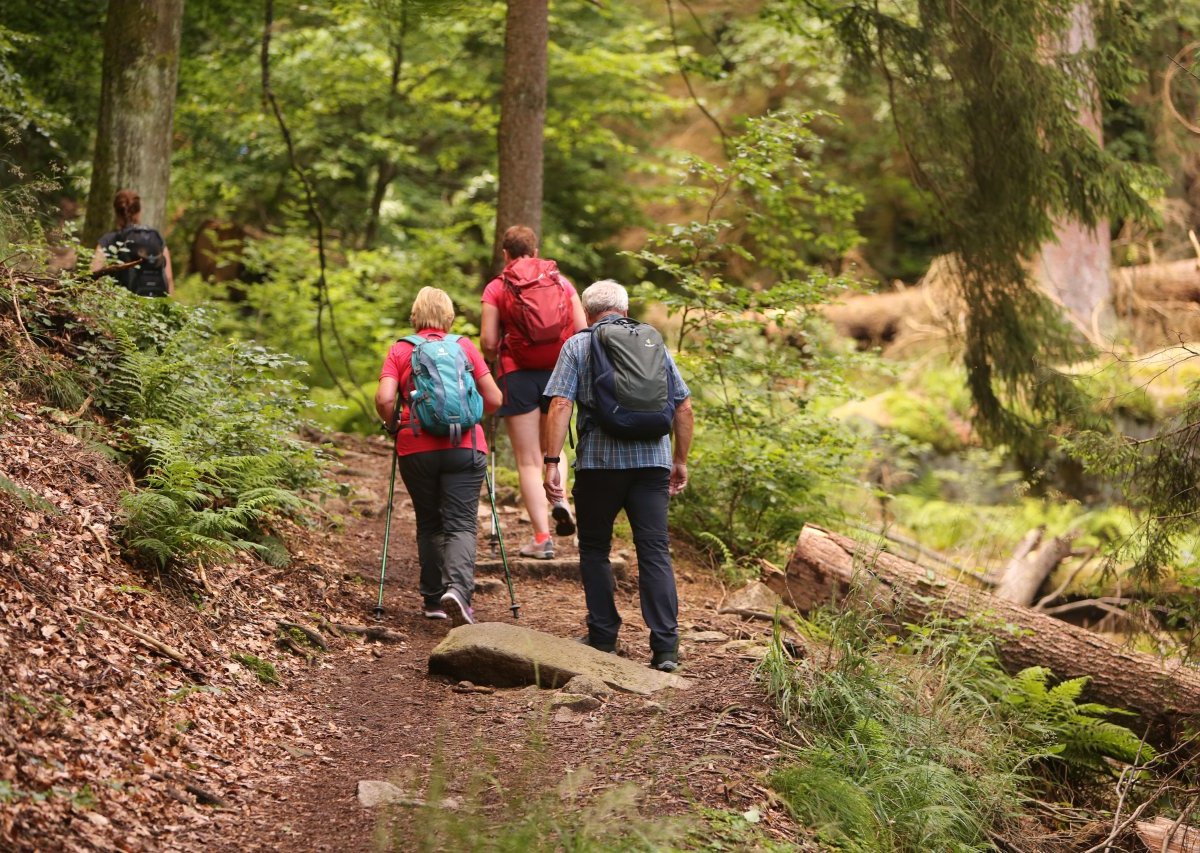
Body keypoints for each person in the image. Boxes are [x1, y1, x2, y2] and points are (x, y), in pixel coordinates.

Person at [541, 280, 694, 672]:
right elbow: (683, 407)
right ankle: (665, 649)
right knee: (654, 551)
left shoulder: (578, 344)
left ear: (588, 313)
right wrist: (679, 460)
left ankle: (604, 636)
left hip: (599, 465)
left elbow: (560, 403)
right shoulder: (652, 344)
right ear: (625, 310)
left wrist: (551, 460)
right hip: (652, 463)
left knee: (594, 549)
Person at [376, 287, 503, 625]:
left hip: (416, 447)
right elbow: (494, 399)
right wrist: (470, 413)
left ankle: (433, 599)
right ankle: (459, 591)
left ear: (415, 315)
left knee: (429, 522)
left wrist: (392, 424)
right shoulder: (463, 347)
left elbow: (385, 399)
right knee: (461, 523)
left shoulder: (401, 350)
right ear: (449, 316)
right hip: (465, 446)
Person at [481, 225, 586, 559]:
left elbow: (486, 341)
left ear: (505, 254)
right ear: (536, 250)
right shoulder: (560, 281)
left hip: (519, 374)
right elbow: (583, 329)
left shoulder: (497, 287)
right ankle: (561, 500)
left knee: (528, 460)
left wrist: (494, 356)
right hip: (561, 373)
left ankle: (542, 538)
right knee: (553, 450)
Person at [90, 189, 175, 297]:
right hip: (155, 304)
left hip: (124, 305)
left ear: (116, 212)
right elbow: (169, 278)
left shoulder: (109, 240)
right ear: (139, 212)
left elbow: (94, 273)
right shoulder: (156, 237)